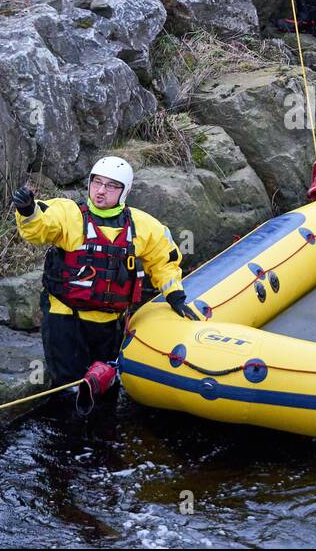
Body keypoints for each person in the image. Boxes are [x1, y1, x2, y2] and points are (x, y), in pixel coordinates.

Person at [12, 156, 200, 404]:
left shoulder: (144, 227)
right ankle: (67, 431)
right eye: (96, 182)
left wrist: (175, 295)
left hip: (109, 322)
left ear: (124, 191)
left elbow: (163, 261)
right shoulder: (69, 215)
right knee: (68, 387)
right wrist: (28, 210)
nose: (100, 191)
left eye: (111, 186)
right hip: (65, 316)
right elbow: (40, 228)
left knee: (106, 385)